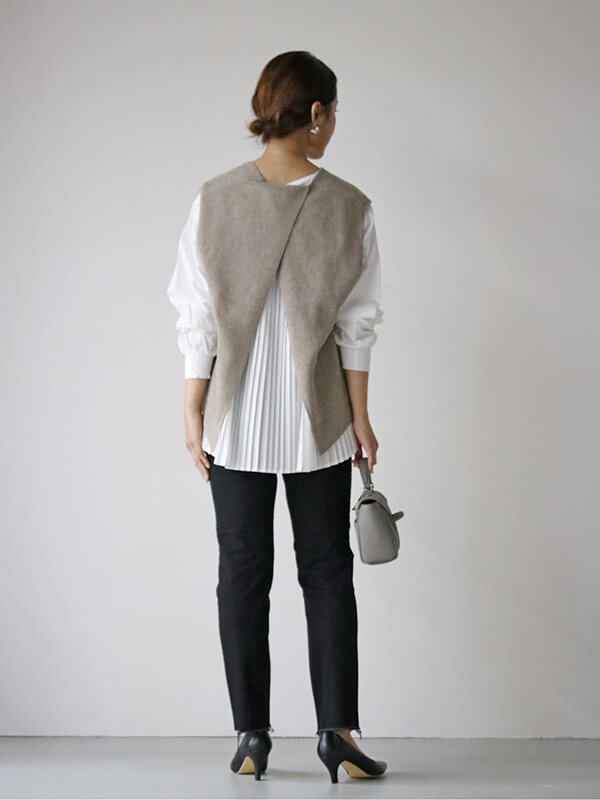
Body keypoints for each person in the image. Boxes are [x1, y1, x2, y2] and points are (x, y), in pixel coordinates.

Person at [167, 50, 387, 784]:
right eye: (334, 112)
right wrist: (360, 417)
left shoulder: (212, 200)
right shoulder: (352, 207)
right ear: (316, 113)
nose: (334, 124)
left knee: (241, 575)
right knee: (327, 572)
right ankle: (338, 735)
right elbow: (357, 326)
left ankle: (251, 738)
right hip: (318, 419)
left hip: (234, 417)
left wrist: (193, 407)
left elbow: (196, 319)